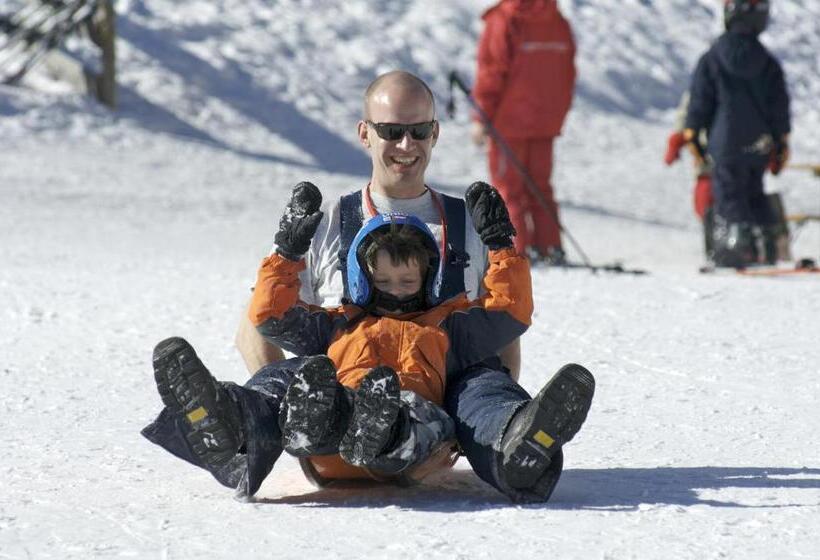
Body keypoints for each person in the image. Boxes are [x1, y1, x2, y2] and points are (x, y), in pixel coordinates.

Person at [143, 181, 596, 502]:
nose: (397, 287)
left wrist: (500, 245)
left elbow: (510, 312)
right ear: (362, 279)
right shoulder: (340, 323)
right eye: (383, 278)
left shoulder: (446, 324)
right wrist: (286, 254)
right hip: (330, 433)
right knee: (287, 377)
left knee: (470, 396)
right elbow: (271, 316)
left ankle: (515, 445)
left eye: (406, 277)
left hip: (409, 440)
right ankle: (230, 421)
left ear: (427, 275)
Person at [684, 0, 790, 267]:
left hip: (726, 140)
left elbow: (700, 100)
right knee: (754, 189)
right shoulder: (767, 62)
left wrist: (692, 132)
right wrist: (781, 140)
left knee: (729, 191)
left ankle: (736, 245)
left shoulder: (712, 58)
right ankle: (766, 243)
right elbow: (778, 105)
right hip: (759, 142)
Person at [470, 0, 576, 264]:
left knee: (509, 188)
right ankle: (550, 247)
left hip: (508, 122)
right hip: (546, 121)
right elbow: (567, 72)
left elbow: (492, 70)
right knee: (540, 186)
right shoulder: (557, 20)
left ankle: (515, 251)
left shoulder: (505, 19)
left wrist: (481, 116)